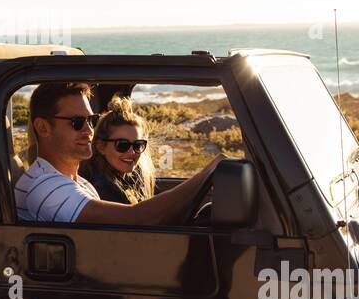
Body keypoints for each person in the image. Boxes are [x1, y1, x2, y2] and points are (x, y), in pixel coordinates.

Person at [15, 82, 221, 225]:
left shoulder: (77, 182)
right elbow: (138, 220)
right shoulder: (45, 186)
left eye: (91, 121)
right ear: (43, 127)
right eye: (77, 123)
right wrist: (207, 173)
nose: (88, 131)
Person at [81, 96, 154, 204]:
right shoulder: (103, 188)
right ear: (101, 147)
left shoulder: (123, 180)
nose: (132, 152)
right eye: (122, 145)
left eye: (137, 145)